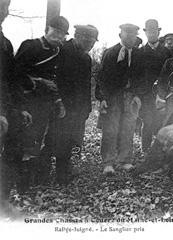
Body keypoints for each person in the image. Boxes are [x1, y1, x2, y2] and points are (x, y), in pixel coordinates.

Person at [13, 16, 69, 186]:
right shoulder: (30, 46)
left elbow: (54, 81)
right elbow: (14, 75)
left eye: (62, 34)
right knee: (24, 141)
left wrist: (58, 100)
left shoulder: (57, 52)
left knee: (38, 141)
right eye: (55, 31)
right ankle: (20, 185)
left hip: (45, 104)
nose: (58, 36)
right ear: (47, 29)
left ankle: (32, 181)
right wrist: (37, 82)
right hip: (27, 101)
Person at [54, 25, 98, 184]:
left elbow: (86, 84)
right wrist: (59, 102)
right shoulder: (62, 50)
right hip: (62, 105)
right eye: (88, 42)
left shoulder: (86, 58)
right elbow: (56, 79)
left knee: (73, 140)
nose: (91, 46)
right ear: (78, 36)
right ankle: (55, 174)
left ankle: (67, 170)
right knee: (58, 139)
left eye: (93, 43)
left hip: (79, 108)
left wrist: (87, 107)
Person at [0, 0, 32, 217]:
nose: (3, 12)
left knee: (14, 152)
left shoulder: (5, 43)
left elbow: (11, 79)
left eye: (5, 8)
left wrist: (20, 108)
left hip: (7, 108)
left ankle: (2, 201)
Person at [99, 23, 144, 175]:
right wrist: (103, 98)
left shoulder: (139, 55)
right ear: (120, 36)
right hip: (113, 96)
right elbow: (102, 78)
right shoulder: (110, 53)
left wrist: (137, 95)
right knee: (111, 129)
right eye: (127, 35)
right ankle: (108, 163)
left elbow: (141, 78)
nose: (130, 38)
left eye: (133, 36)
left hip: (130, 96)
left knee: (128, 128)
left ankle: (125, 160)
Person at [139, 19, 171, 152]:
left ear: (158, 32)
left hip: (163, 93)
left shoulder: (167, 52)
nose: (152, 34)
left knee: (162, 121)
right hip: (146, 93)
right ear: (146, 33)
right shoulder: (140, 52)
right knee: (147, 121)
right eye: (149, 31)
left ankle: (160, 150)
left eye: (154, 31)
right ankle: (145, 149)